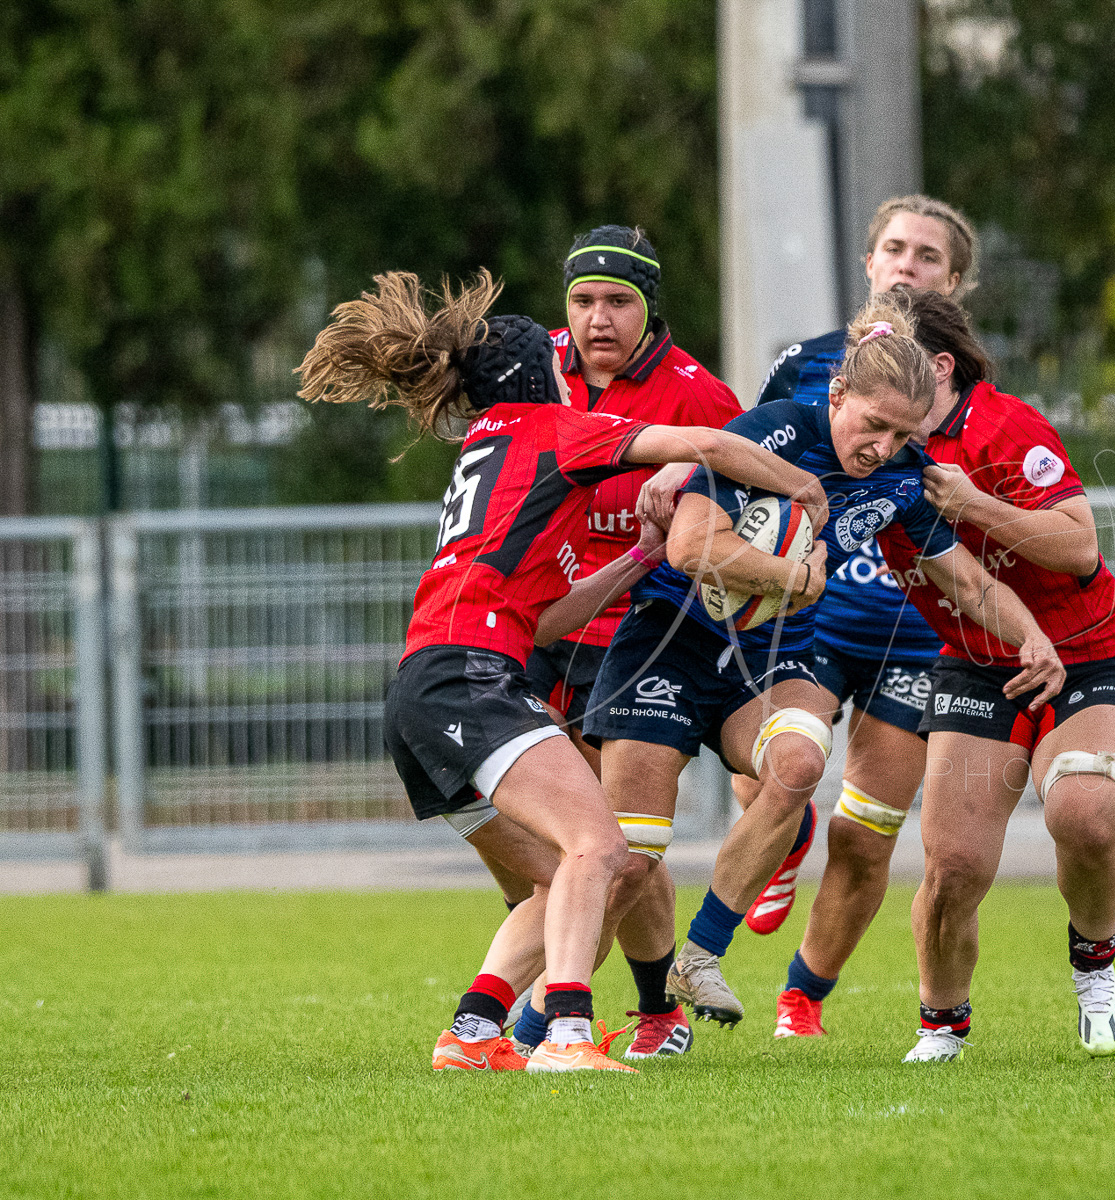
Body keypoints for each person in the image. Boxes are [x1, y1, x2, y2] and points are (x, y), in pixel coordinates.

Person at [296, 269, 827, 1073]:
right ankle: (569, 1037)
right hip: (471, 677)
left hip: (427, 686)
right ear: (537, 376)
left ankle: (472, 1033)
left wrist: (641, 558)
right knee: (600, 846)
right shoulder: (548, 425)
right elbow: (712, 445)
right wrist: (803, 487)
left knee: (561, 879)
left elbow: (545, 620)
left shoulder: (488, 447)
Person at [583, 295, 1065, 1029]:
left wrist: (1031, 635)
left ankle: (701, 956)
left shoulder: (903, 477)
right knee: (628, 860)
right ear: (837, 394)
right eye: (873, 425)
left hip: (768, 653)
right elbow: (688, 546)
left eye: (902, 433)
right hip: (671, 640)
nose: (882, 447)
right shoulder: (777, 430)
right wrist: (791, 575)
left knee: (800, 764)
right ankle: (536, 1022)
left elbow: (966, 582)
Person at [876, 286, 1115, 1063]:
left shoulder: (1003, 426)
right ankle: (942, 1024)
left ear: (937, 367)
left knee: (1085, 812)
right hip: (977, 661)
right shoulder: (870, 448)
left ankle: (1095, 965)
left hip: (1088, 652)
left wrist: (972, 504)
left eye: (888, 356)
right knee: (953, 865)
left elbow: (1079, 547)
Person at [492, 226, 743, 1063]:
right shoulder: (534, 369)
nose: (598, 318)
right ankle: (623, 998)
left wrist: (695, 474)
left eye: (618, 301)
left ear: (649, 307)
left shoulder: (698, 396)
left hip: (633, 637)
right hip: (541, 624)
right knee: (557, 844)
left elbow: (745, 487)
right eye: (583, 300)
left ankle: (582, 1014)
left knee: (612, 845)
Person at [746, 196, 981, 1039]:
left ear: (955, 282)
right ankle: (782, 839)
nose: (908, 264)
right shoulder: (805, 365)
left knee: (867, 835)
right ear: (869, 263)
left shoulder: (973, 392)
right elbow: (745, 465)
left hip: (913, 638)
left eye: (929, 255)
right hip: (809, 614)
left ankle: (802, 997)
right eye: (895, 248)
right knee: (773, 770)